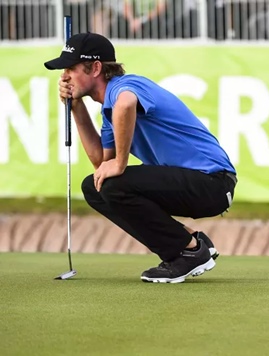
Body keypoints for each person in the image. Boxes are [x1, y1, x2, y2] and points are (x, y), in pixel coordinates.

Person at [44, 32, 237, 283]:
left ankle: (189, 252)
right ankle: (190, 243)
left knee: (113, 184)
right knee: (95, 186)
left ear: (96, 68)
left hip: (213, 182)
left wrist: (121, 162)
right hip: (194, 185)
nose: (64, 76)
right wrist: (76, 108)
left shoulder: (125, 86)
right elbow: (100, 164)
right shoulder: (108, 110)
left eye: (71, 67)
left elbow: (126, 105)